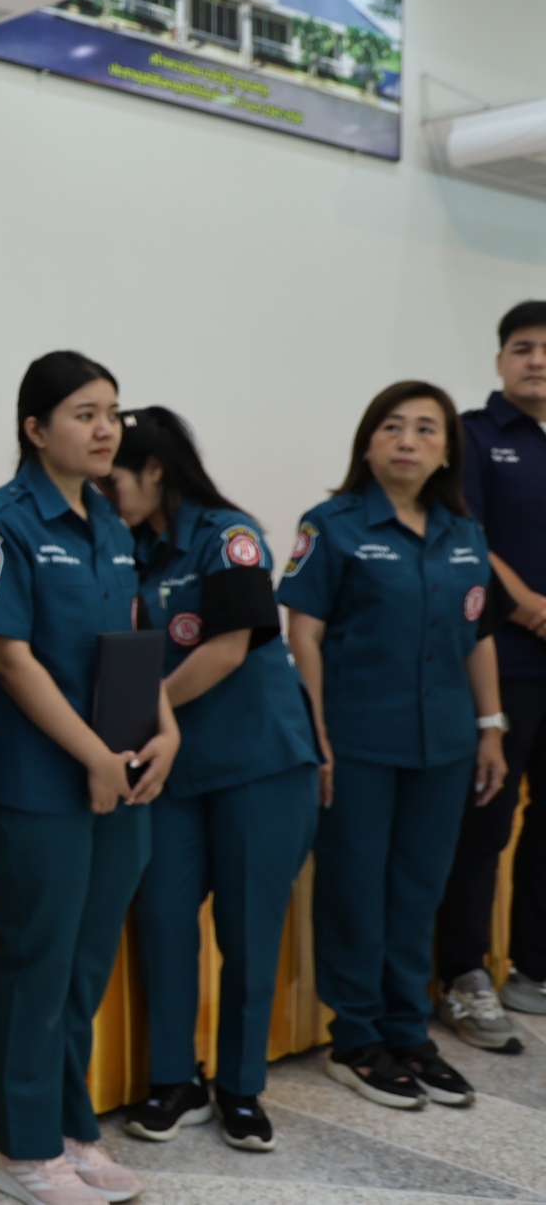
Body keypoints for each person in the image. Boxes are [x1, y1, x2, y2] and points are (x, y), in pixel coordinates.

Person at [0, 352, 179, 1205]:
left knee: (85, 965)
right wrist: (91, 754)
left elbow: (133, 640)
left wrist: (166, 727)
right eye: (84, 413)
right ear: (35, 427)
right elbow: (6, 657)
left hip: (120, 775)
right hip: (39, 783)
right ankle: (22, 1148)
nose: (105, 429)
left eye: (112, 413)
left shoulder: (111, 519)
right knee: (38, 963)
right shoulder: (0, 523)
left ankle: (72, 1128)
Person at [279, 381, 507, 1112]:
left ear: (447, 451)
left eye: (426, 429)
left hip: (444, 745)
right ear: (368, 442)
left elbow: (477, 635)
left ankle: (409, 1032)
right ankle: (355, 1039)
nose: (408, 441)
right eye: (392, 426)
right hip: (358, 742)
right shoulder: (332, 525)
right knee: (354, 889)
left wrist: (491, 725)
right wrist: (315, 732)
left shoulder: (465, 533)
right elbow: (304, 633)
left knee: (417, 889)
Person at [105, 409, 321, 1153]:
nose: (106, 494)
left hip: (259, 766)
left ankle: (241, 1087)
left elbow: (228, 649)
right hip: (171, 772)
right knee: (163, 920)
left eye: (114, 478)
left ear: (154, 469)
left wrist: (148, 710)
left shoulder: (228, 536)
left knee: (249, 932)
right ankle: (176, 1079)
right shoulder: (123, 546)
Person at [436, 302, 546, 1042]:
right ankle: (462, 972)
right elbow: (466, 534)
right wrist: (531, 608)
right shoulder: (475, 435)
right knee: (486, 819)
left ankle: (533, 967)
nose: (537, 360)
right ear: (500, 359)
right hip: (505, 659)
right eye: (523, 347)